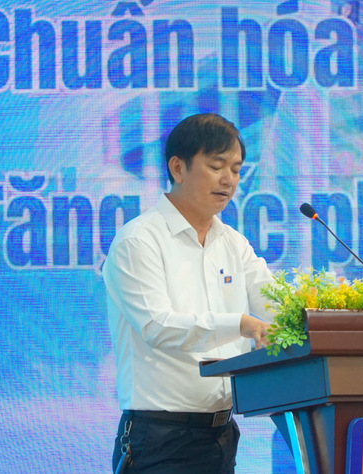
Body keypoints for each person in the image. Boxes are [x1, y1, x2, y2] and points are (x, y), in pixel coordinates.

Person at [103, 113, 274, 473]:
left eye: (236, 170)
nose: (228, 180)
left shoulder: (233, 243)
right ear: (178, 168)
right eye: (216, 166)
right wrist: (240, 324)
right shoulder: (139, 241)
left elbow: (275, 305)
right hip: (160, 439)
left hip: (221, 434)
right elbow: (157, 326)